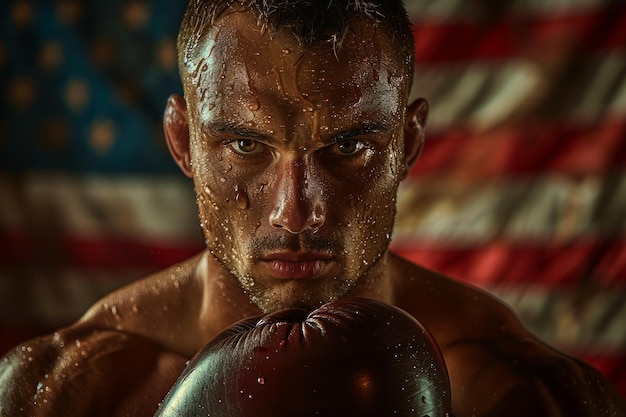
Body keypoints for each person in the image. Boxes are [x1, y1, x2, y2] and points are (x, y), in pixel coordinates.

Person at [0, 1, 624, 416]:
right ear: (183, 142)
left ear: (406, 144)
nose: (295, 213)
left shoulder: (525, 395)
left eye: (349, 146)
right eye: (246, 145)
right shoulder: (67, 394)